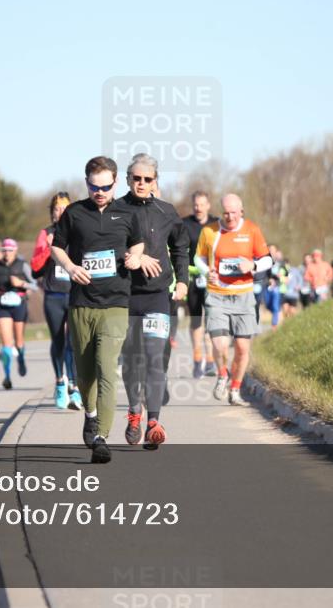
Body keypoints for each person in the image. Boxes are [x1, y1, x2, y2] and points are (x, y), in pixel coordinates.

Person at [51, 156, 144, 463]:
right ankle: (90, 414)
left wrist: (134, 257)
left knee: (106, 369)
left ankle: (102, 436)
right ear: (86, 183)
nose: (100, 192)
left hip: (116, 302)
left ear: (115, 183)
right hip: (82, 304)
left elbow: (138, 243)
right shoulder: (75, 213)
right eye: (94, 187)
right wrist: (70, 266)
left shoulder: (128, 212)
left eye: (105, 187)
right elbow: (56, 246)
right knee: (85, 373)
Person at [112, 154, 188, 449]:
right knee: (132, 360)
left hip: (157, 296)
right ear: (127, 179)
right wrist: (134, 256)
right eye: (136, 178)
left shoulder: (166, 211)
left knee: (155, 358)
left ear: (156, 181)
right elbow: (105, 246)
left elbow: (180, 248)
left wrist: (182, 280)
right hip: (126, 295)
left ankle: (153, 422)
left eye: (147, 179)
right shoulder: (115, 210)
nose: (142, 183)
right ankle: (134, 413)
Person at [194, 194, 272, 405]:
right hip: (217, 294)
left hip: (244, 295)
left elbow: (267, 259)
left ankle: (235, 389)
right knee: (219, 345)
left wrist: (253, 265)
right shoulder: (209, 231)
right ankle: (222, 374)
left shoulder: (252, 230)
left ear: (241, 212)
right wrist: (206, 271)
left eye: (234, 213)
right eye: (226, 213)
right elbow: (198, 258)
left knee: (242, 348)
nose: (230, 217)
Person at [31, 192, 83, 410]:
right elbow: (35, 269)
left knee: (74, 342)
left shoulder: (78, 230)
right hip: (53, 295)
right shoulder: (46, 233)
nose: (61, 212)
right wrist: (48, 249)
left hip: (74, 293)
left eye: (64, 208)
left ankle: (75, 387)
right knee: (58, 341)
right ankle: (60, 382)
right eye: (57, 208)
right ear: (52, 213)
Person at [0, 238, 37, 389]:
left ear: (15, 250)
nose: (7, 253)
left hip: (19, 304)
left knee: (19, 341)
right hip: (3, 305)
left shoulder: (22, 265)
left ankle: (21, 358)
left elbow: (35, 285)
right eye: (4, 250)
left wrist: (22, 284)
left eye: (10, 250)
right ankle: (7, 376)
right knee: (6, 344)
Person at [181, 191, 219, 378]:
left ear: (208, 205)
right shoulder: (184, 224)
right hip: (193, 278)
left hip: (212, 278)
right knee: (196, 320)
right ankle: (197, 360)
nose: (198, 208)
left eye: (202, 204)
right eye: (196, 204)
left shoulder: (216, 224)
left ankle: (210, 362)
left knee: (212, 320)